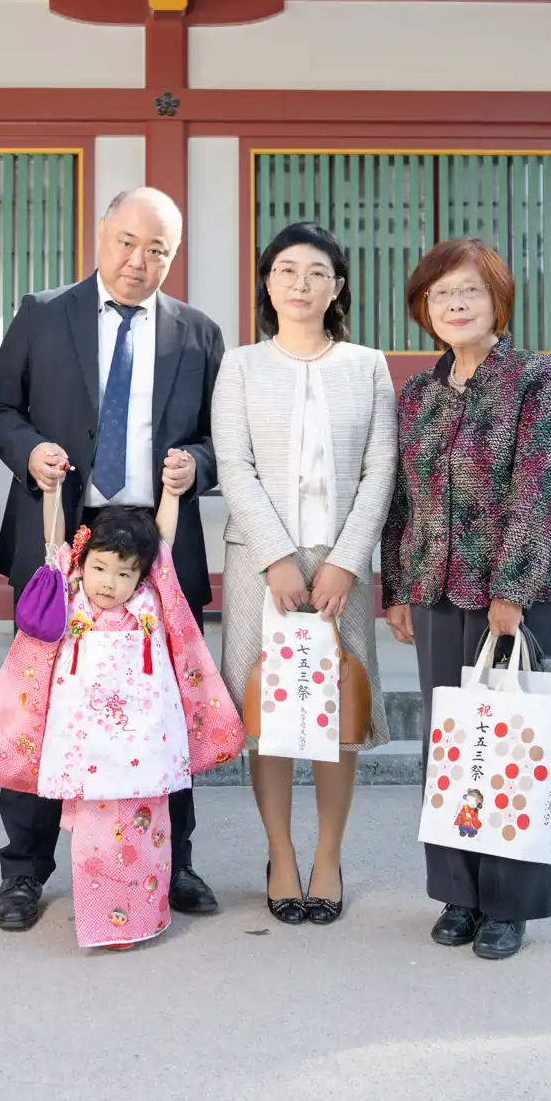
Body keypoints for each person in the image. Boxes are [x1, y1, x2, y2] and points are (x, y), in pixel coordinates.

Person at [0, 185, 227, 931]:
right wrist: (31, 452)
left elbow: (222, 439)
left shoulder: (198, 333)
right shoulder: (42, 313)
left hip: (156, 537)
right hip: (63, 533)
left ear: (173, 256)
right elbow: (1, 410)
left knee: (161, 707)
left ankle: (172, 860)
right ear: (100, 233)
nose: (137, 261)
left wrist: (196, 464)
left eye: (157, 250)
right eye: (126, 242)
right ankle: (25, 868)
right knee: (44, 703)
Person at [382, 237, 551, 963]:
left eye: (469, 290)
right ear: (423, 308)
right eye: (441, 294)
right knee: (451, 744)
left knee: (510, 743)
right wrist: (396, 586)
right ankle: (458, 894)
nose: (455, 304)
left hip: (513, 595)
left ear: (498, 299)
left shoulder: (536, 378)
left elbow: (541, 487)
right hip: (435, 590)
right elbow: (401, 496)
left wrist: (511, 590)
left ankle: (507, 904)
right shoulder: (418, 393)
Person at [0, 470, 244, 949]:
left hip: (141, 742)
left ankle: (141, 918)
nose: (109, 583)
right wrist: (52, 491)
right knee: (96, 841)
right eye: (99, 568)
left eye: (123, 573)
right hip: (88, 746)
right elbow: (54, 540)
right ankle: (106, 921)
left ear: (141, 574)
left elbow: (163, 543)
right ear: (81, 560)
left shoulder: (150, 599)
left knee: (144, 832)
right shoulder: (69, 592)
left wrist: (171, 493)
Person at [210, 221, 395, 927]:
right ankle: (281, 855)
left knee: (337, 711)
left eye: (317, 272)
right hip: (262, 563)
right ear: (267, 282)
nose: (301, 284)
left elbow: (381, 468)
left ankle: (327, 856)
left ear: (337, 287)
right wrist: (276, 557)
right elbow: (235, 465)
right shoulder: (240, 366)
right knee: (272, 712)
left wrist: (346, 560)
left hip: (342, 563)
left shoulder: (368, 366)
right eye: (286, 270)